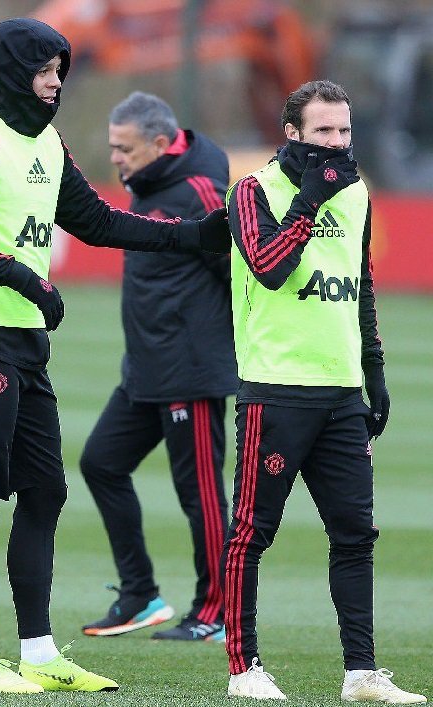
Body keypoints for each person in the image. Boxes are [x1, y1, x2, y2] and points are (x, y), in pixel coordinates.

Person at [0, 18, 231, 694]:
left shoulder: (48, 142)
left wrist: (192, 235)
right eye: (45, 67)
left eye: (62, 67)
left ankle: (38, 650)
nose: (57, 80)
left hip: (21, 342)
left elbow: (97, 220)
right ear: (10, 67)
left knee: (47, 491)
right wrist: (23, 278)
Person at [222, 79, 426, 703]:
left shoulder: (357, 193)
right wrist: (310, 198)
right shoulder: (255, 191)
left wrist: (375, 369)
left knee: (355, 535)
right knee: (251, 534)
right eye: (323, 133)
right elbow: (270, 266)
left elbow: (360, 284)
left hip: (341, 393)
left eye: (344, 131)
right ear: (292, 133)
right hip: (277, 391)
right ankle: (243, 670)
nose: (337, 145)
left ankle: (361, 673)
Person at [79, 91, 236, 642]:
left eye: (124, 149)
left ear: (161, 144)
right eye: (113, 147)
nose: (116, 159)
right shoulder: (153, 188)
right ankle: (140, 594)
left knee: (200, 492)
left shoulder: (196, 193)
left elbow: (235, 272)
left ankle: (218, 610)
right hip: (145, 369)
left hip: (187, 371)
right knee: (101, 462)